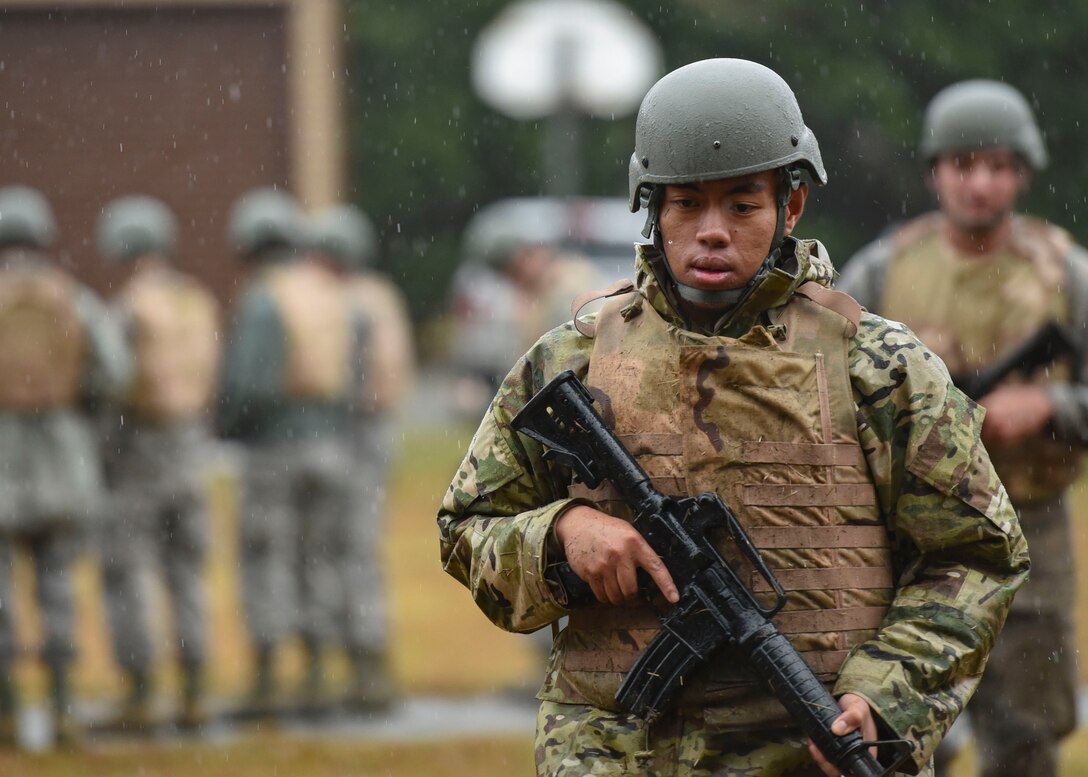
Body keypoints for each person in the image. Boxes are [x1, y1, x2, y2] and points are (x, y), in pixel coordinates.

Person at [437, 59, 1030, 776]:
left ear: (792, 206)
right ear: (653, 207)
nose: (711, 232)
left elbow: (975, 553)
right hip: (615, 754)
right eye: (687, 205)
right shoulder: (570, 360)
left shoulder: (876, 365)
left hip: (815, 753)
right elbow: (467, 527)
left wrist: (886, 693)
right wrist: (561, 534)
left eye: (742, 206)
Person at [837, 79, 1085, 777]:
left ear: (1024, 172)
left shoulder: (1064, 273)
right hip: (903, 532)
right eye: (963, 164)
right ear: (935, 170)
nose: (981, 184)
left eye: (1000, 166)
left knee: (1027, 732)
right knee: (891, 728)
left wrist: (1052, 408)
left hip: (1031, 527)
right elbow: (826, 392)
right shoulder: (884, 273)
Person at [217, 187, 355, 715]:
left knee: (265, 558)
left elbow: (250, 384)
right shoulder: (324, 292)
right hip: (331, 445)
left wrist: (226, 424)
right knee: (318, 559)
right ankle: (319, 676)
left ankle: (268, 680)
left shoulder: (262, 297)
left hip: (275, 447)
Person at [0, 186, 129, 746]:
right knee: (57, 588)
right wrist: (83, 412)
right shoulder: (71, 299)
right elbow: (116, 371)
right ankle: (62, 709)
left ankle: (5, 712)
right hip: (63, 457)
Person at [96, 195, 221, 730]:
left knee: (128, 574)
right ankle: (194, 691)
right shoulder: (197, 300)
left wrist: (102, 454)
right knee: (187, 571)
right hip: (190, 450)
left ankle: (140, 694)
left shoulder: (127, 308)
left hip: (137, 453)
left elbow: (109, 386)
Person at [305, 203, 415, 709]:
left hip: (348, 435)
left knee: (337, 553)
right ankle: (368, 665)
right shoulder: (381, 295)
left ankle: (355, 666)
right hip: (376, 437)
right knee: (359, 552)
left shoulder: (343, 302)